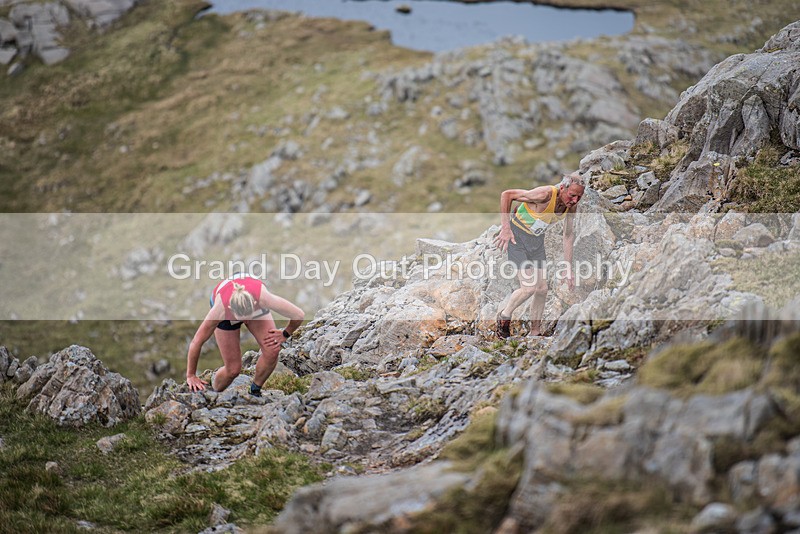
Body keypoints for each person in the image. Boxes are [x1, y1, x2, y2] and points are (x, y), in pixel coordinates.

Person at [493, 172, 585, 338]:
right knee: (529, 288)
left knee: (542, 289)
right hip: (517, 238)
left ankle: (535, 332)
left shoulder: (571, 205)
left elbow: (568, 235)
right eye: (572, 195)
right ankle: (504, 317)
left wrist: (568, 267)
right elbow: (507, 195)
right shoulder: (544, 195)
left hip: (536, 241)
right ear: (562, 188)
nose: (575, 201)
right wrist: (505, 228)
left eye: (579, 197)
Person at [186, 276, 304, 395]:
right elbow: (196, 342)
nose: (246, 321)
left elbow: (298, 315)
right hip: (226, 310)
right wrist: (191, 375)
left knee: (272, 349)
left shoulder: (263, 298)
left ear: (253, 304)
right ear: (231, 309)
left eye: (249, 317)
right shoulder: (219, 311)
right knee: (233, 370)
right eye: (241, 318)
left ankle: (255, 390)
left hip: (253, 304)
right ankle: (215, 392)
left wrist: (285, 334)